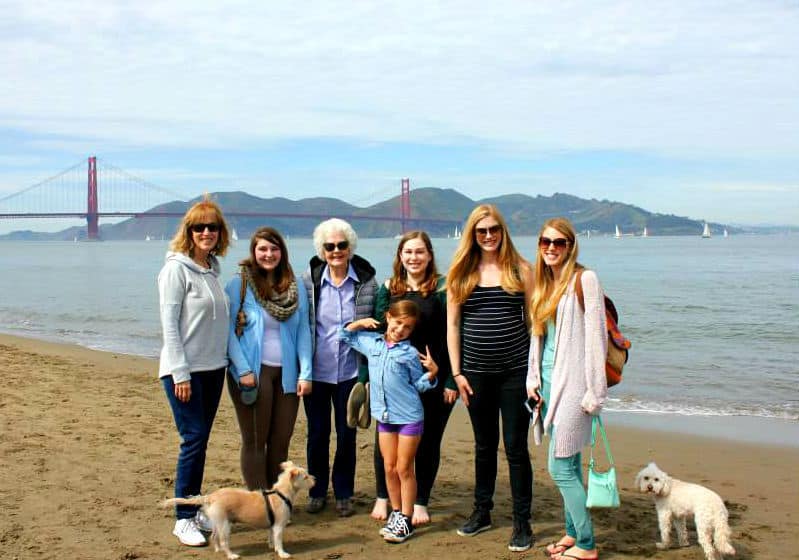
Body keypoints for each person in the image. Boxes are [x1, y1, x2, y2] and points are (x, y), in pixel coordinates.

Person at [446, 204, 535, 552]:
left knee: (515, 448)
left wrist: (535, 373)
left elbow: (533, 323)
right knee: (484, 447)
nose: (488, 236)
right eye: (481, 231)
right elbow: (452, 326)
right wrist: (456, 373)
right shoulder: (460, 273)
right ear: (472, 234)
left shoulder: (521, 269)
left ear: (503, 230)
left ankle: (522, 522)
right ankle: (482, 512)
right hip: (475, 375)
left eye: (494, 229)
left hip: (515, 374)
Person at [527, 218, 607, 560]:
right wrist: (533, 381)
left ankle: (587, 544)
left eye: (559, 242)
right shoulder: (545, 283)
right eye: (546, 241)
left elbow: (596, 338)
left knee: (559, 469)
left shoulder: (584, 279)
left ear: (571, 245)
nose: (551, 248)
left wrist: (595, 392)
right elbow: (539, 340)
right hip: (548, 387)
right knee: (569, 466)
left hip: (574, 388)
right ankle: (572, 534)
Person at [363, 231, 456, 526]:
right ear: (400, 256)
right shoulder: (390, 288)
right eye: (408, 252)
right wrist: (367, 377)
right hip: (391, 381)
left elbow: (453, 334)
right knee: (386, 440)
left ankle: (420, 501)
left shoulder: (443, 288)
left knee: (428, 441)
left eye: (419, 252)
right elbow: (377, 334)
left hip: (432, 377)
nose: (414, 258)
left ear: (429, 255)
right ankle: (383, 496)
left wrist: (452, 379)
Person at [157, 197, 231, 547]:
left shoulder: (212, 269)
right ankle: (183, 518)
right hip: (185, 372)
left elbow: (213, 318)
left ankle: (194, 505)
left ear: (220, 233)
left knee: (200, 443)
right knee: (193, 440)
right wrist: (180, 373)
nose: (206, 232)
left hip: (213, 369)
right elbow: (169, 326)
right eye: (198, 227)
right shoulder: (176, 269)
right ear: (188, 231)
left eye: (212, 227)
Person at [340, 300, 438, 543]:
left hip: (409, 416)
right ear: (387, 317)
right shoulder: (371, 342)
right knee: (389, 467)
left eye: (407, 327)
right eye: (397, 323)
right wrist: (359, 323)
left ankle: (406, 518)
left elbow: (418, 385)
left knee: (405, 468)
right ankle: (396, 513)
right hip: (384, 416)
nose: (400, 329)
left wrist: (433, 374)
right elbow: (344, 336)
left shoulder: (409, 353)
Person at [225, 226, 313, 490]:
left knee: (281, 440)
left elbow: (304, 332)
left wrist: (305, 373)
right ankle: (259, 502)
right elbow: (228, 333)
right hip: (253, 373)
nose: (268, 254)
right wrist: (242, 370)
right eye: (262, 248)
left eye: (274, 249)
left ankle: (276, 498)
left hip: (287, 375)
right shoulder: (239, 285)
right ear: (253, 252)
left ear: (282, 252)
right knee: (255, 440)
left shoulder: (295, 286)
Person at [302, 218, 378, 517]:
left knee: (347, 435)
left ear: (350, 247)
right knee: (317, 434)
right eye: (329, 246)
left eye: (341, 245)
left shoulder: (367, 282)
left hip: (350, 372)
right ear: (322, 250)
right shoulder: (309, 281)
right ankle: (317, 491)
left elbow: (378, 323)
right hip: (317, 373)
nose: (336, 251)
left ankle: (344, 491)